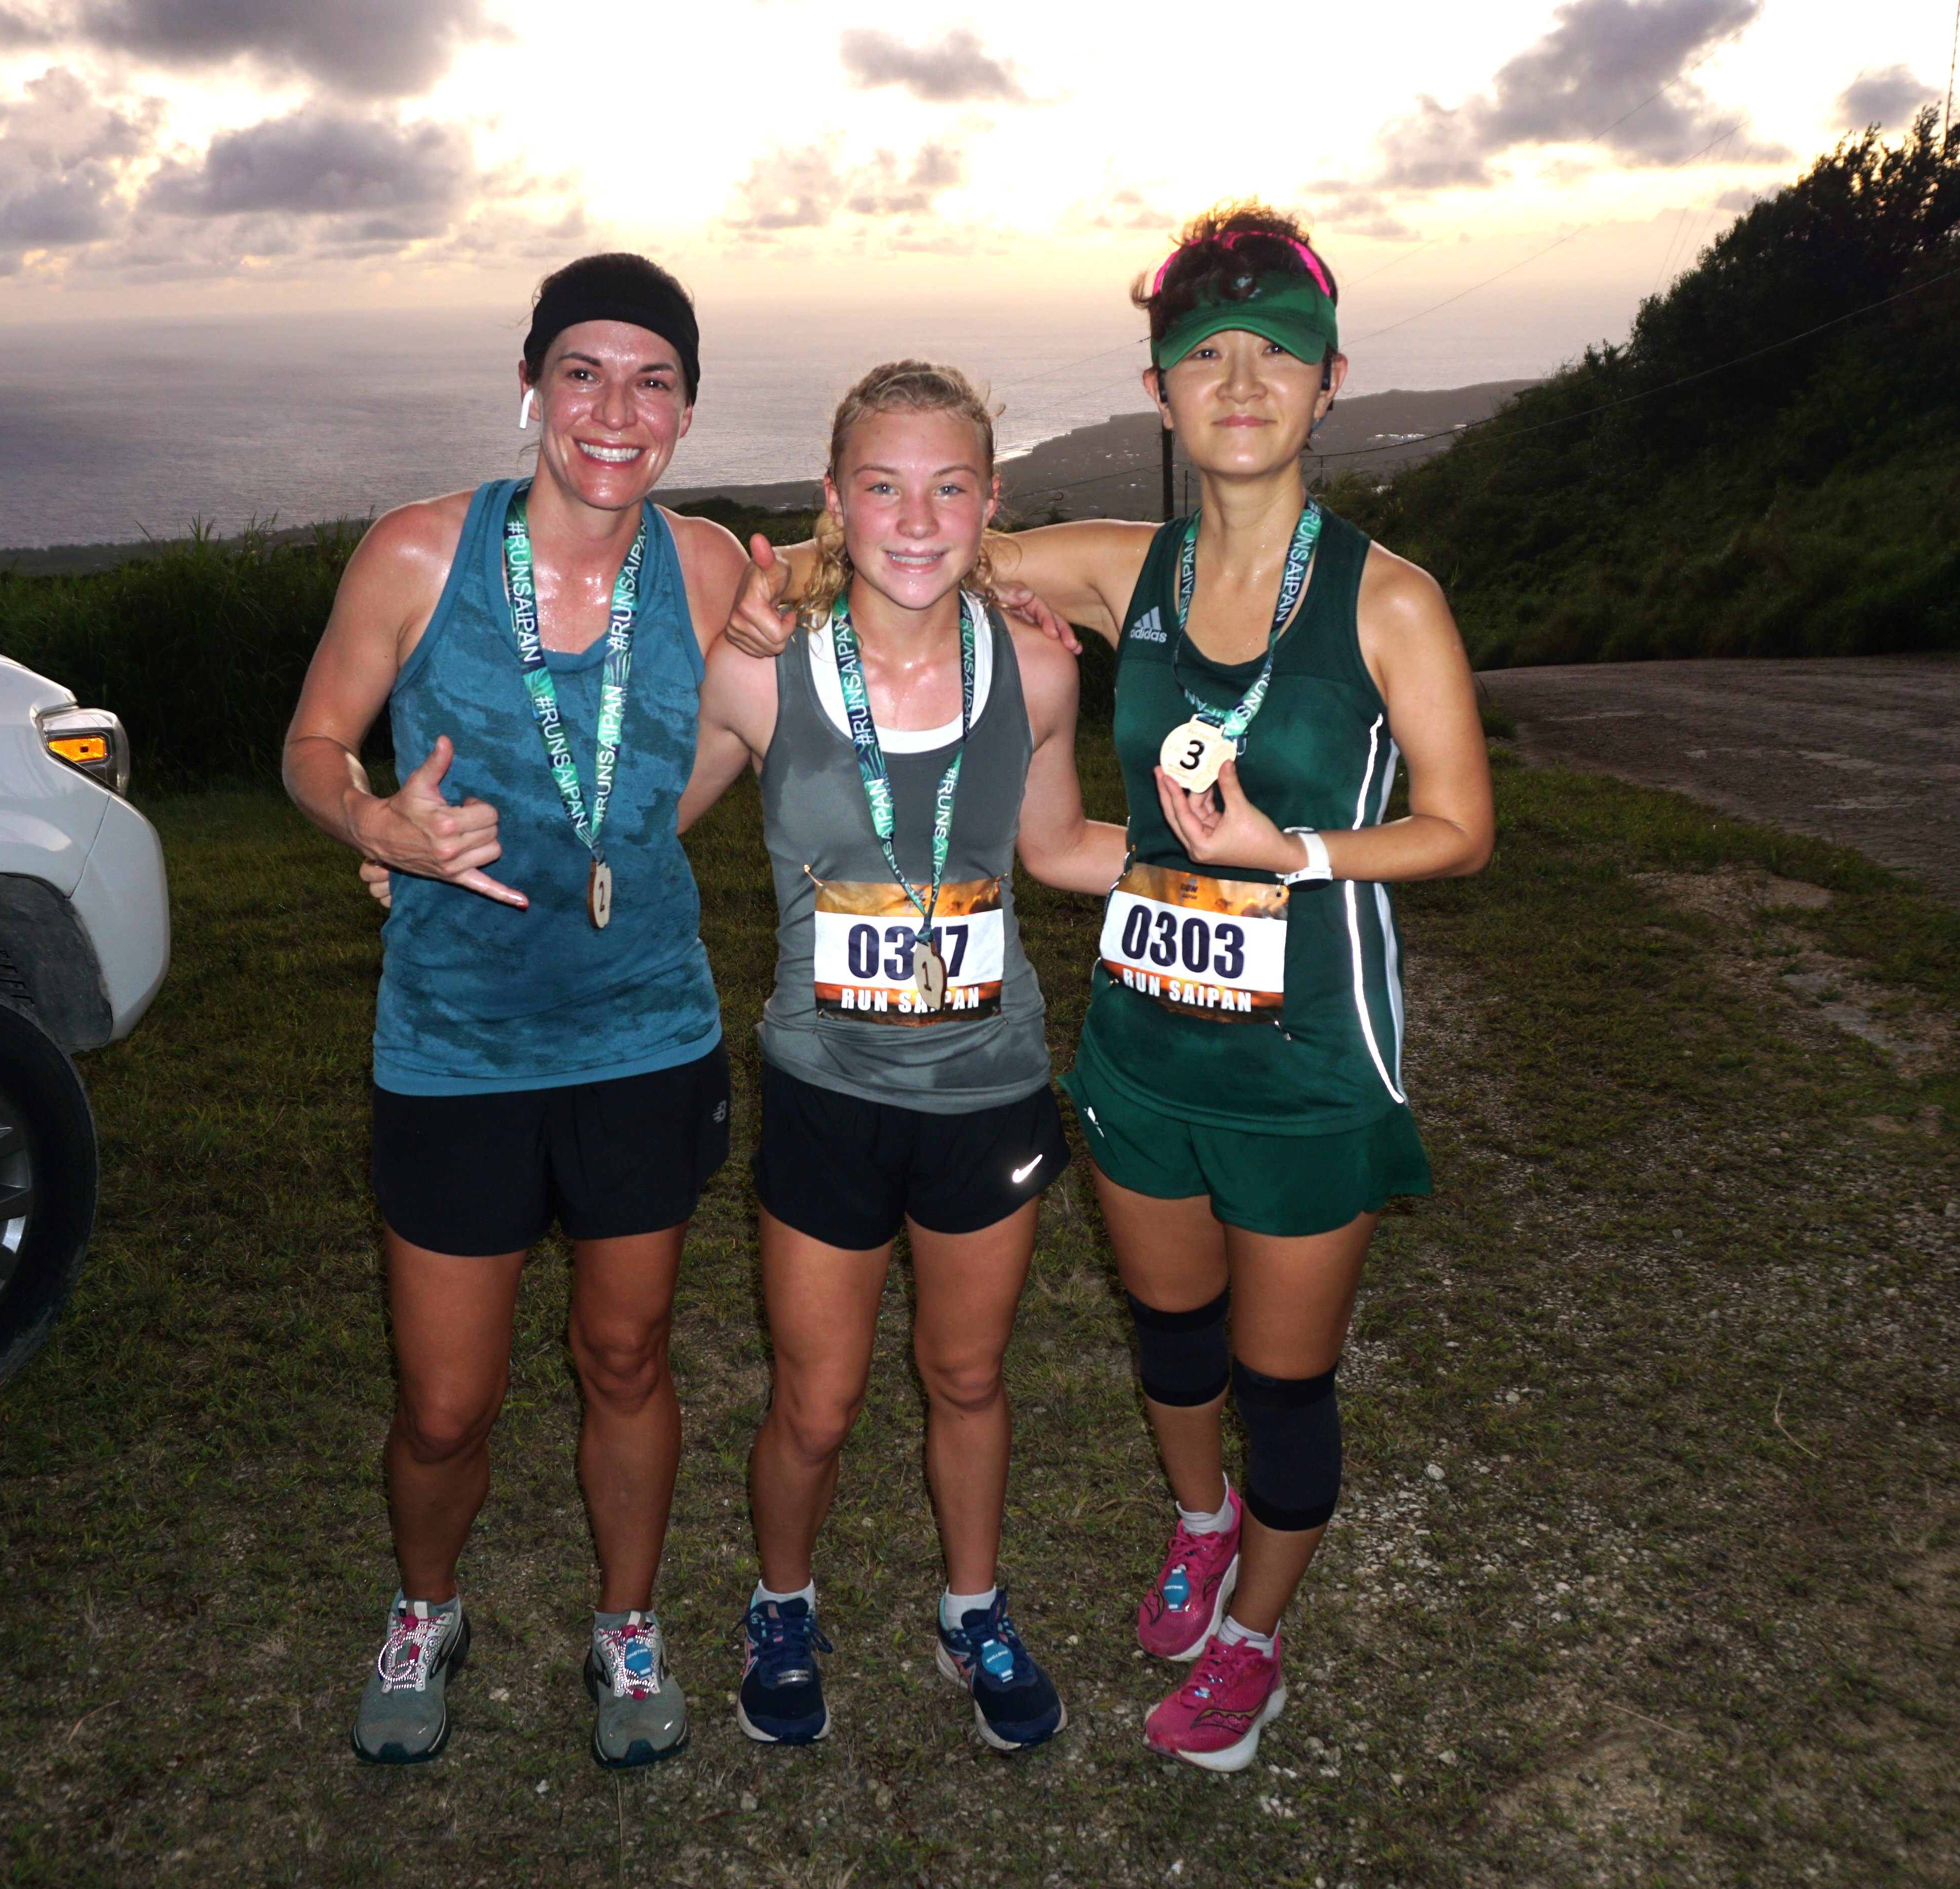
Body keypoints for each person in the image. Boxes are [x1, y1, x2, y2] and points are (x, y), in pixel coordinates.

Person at [726, 203, 1496, 1771]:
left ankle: (1255, 1641)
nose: (1235, 380)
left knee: (1283, 1381)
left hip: (1304, 1057)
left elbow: (1463, 826)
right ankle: (1197, 1523)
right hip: (1141, 1049)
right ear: (1156, 388)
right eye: (1200, 354)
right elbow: (924, 534)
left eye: (1271, 354)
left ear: (1327, 379)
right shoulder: (1120, 570)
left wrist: (1304, 856)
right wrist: (769, 592)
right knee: (1171, 1341)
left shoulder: (1387, 596)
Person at [285, 252, 754, 1770]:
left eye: (654, 379)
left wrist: (644, 829)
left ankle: (628, 1623)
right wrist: (378, 830)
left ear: (685, 405)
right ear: (532, 386)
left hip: (643, 1035)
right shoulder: (419, 554)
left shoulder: (709, 569)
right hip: (455, 1046)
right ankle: (427, 1607)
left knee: (625, 1359)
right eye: (584, 372)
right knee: (443, 1401)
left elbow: (863, 612)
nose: (616, 410)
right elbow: (309, 744)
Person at [677, 360, 1126, 1751]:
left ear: (989, 504)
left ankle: (971, 1610)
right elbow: (639, 821)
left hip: (986, 1088)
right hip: (824, 1092)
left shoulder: (1041, 660)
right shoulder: (755, 668)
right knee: (814, 1399)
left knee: (969, 1377)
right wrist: (449, 853)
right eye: (880, 485)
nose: (914, 517)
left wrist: (1265, 858)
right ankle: (781, 1605)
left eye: (946, 487)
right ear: (833, 502)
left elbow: (1052, 846)